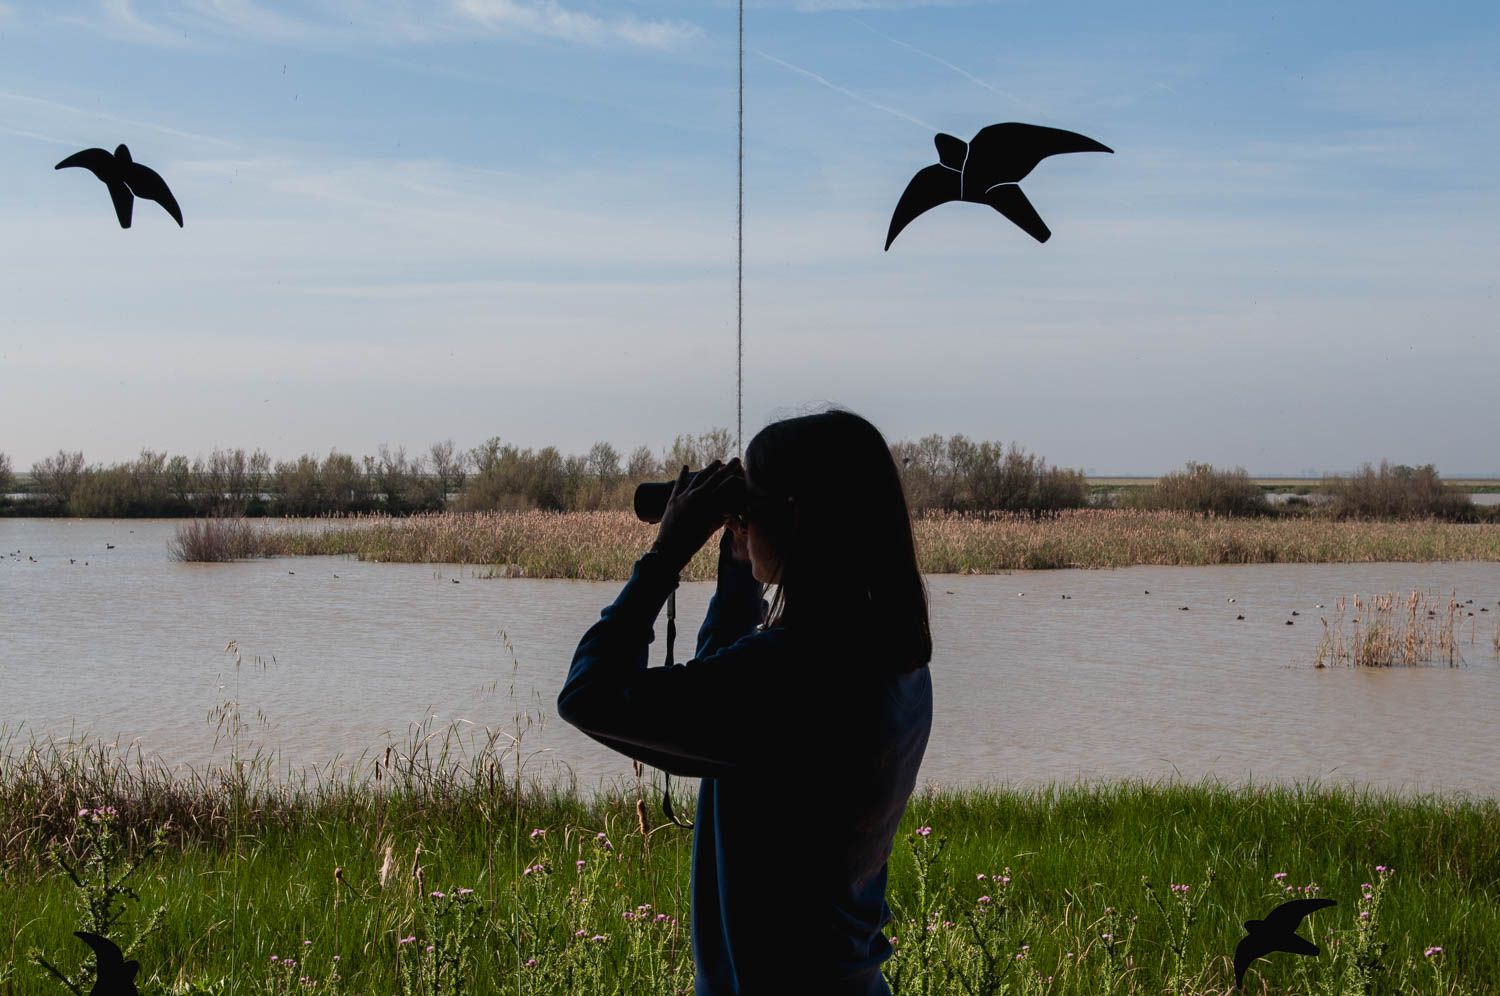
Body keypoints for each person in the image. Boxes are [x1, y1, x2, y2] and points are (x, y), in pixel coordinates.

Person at [558, 408, 934, 995]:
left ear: (793, 516)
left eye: (750, 503)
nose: (742, 517)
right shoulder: (895, 663)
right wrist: (740, 567)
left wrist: (666, 555)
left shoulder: (787, 677)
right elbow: (726, 691)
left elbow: (590, 694)